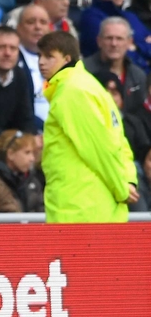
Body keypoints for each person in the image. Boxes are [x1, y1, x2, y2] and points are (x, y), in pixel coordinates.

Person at [38, 31, 139, 223]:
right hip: (98, 203)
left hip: (79, 207)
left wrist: (121, 187)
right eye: (40, 56)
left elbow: (97, 147)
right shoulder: (90, 86)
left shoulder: (70, 92)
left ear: (67, 59)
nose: (41, 62)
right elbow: (119, 141)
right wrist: (128, 179)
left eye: (49, 56)